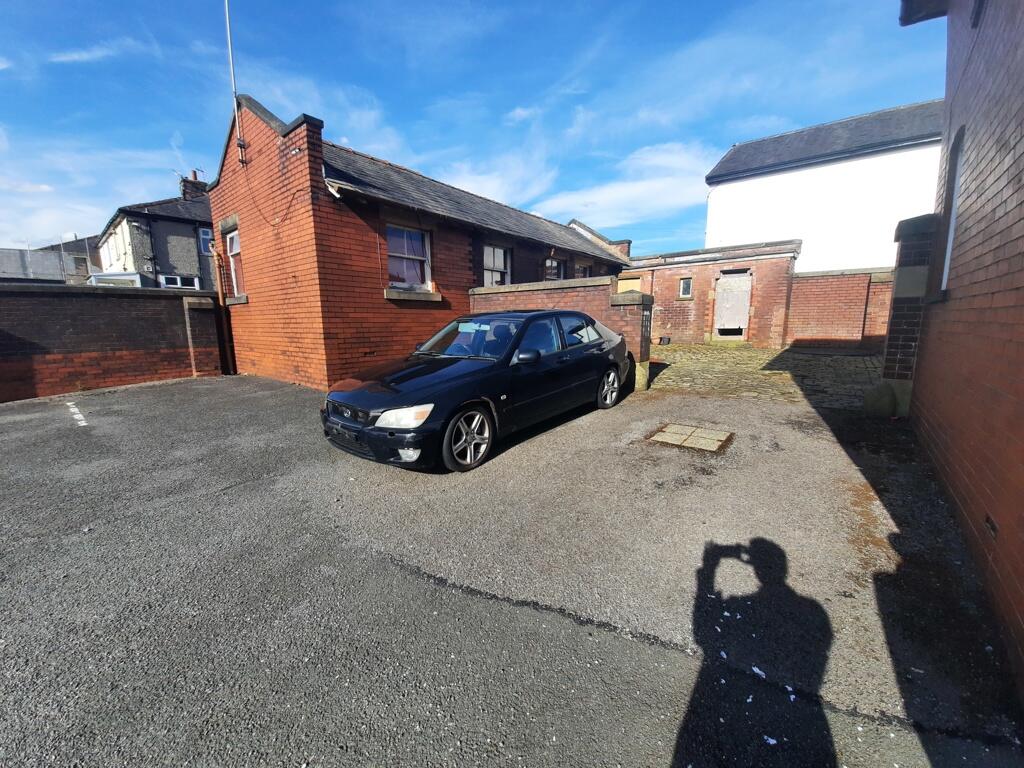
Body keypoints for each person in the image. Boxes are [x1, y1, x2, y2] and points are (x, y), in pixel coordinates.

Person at [673, 539, 835, 767]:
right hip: (795, 719)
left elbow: (703, 633)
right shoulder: (814, 612)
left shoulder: (739, 606)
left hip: (730, 705)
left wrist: (709, 567)